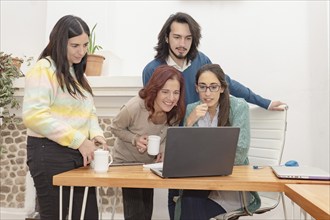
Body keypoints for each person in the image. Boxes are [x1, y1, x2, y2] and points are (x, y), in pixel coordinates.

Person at [142, 12, 286, 219]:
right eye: (177, 37)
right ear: (166, 37)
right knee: (176, 196)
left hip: (199, 151)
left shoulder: (202, 62)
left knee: (189, 201)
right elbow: (150, 107)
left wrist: (264, 102)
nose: (182, 43)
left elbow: (227, 82)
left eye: (188, 38)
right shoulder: (152, 69)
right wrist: (160, 143)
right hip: (175, 136)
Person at [22, 15, 107, 220]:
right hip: (48, 152)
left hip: (77, 153)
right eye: (75, 45)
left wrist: (95, 136)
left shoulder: (77, 74)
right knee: (54, 215)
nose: (82, 51)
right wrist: (79, 141)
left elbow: (89, 112)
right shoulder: (44, 69)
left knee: (88, 215)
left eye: (85, 45)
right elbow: (34, 116)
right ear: (60, 42)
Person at [178, 63, 260, 220]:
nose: (207, 93)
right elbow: (185, 152)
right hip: (200, 182)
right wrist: (189, 122)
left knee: (192, 209)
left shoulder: (237, 107)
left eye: (213, 87)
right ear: (196, 88)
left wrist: (203, 164)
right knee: (189, 200)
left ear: (222, 88)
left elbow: (240, 152)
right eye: (203, 87)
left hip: (229, 184)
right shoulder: (192, 109)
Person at [110, 65, 186, 220]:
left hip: (148, 165)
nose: (171, 98)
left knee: (146, 212)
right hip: (126, 163)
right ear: (155, 90)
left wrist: (163, 150)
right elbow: (115, 128)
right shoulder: (134, 107)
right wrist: (134, 139)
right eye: (165, 91)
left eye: (176, 92)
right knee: (136, 214)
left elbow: (168, 135)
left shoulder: (175, 112)